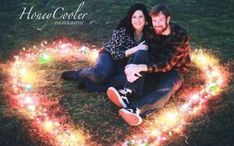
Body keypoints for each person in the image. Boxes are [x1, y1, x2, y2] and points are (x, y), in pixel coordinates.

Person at [107, 4, 191, 126]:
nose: (157, 24)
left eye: (161, 20)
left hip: (174, 70)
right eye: (154, 20)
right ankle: (126, 93)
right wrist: (130, 68)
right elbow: (143, 50)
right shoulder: (151, 30)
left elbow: (167, 65)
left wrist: (141, 67)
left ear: (168, 19)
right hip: (153, 64)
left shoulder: (180, 34)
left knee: (168, 87)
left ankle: (136, 109)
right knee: (141, 52)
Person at [61, 3, 151, 92]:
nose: (137, 20)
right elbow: (115, 54)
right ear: (130, 19)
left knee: (126, 80)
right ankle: (76, 74)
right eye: (134, 17)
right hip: (109, 55)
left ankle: (89, 84)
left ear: (145, 18)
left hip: (123, 63)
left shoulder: (149, 33)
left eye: (140, 17)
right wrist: (136, 49)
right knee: (101, 75)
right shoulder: (123, 29)